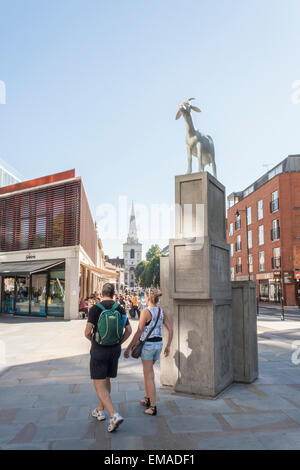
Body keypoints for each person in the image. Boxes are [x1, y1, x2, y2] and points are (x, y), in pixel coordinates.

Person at [85, 282, 132, 432]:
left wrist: (94, 341)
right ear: (113, 293)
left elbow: (87, 332)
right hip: (114, 350)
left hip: (99, 350)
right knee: (106, 379)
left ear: (102, 292)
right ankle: (100, 410)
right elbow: (129, 330)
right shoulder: (120, 308)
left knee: (99, 384)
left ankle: (114, 415)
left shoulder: (95, 308)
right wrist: (119, 342)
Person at [124, 288, 173, 416]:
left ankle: (152, 406)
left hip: (148, 346)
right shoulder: (161, 311)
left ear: (148, 298)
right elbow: (170, 329)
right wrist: (168, 346)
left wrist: (129, 347)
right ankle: (147, 398)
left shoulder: (146, 312)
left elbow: (139, 331)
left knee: (149, 376)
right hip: (159, 345)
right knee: (148, 373)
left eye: (145, 297)